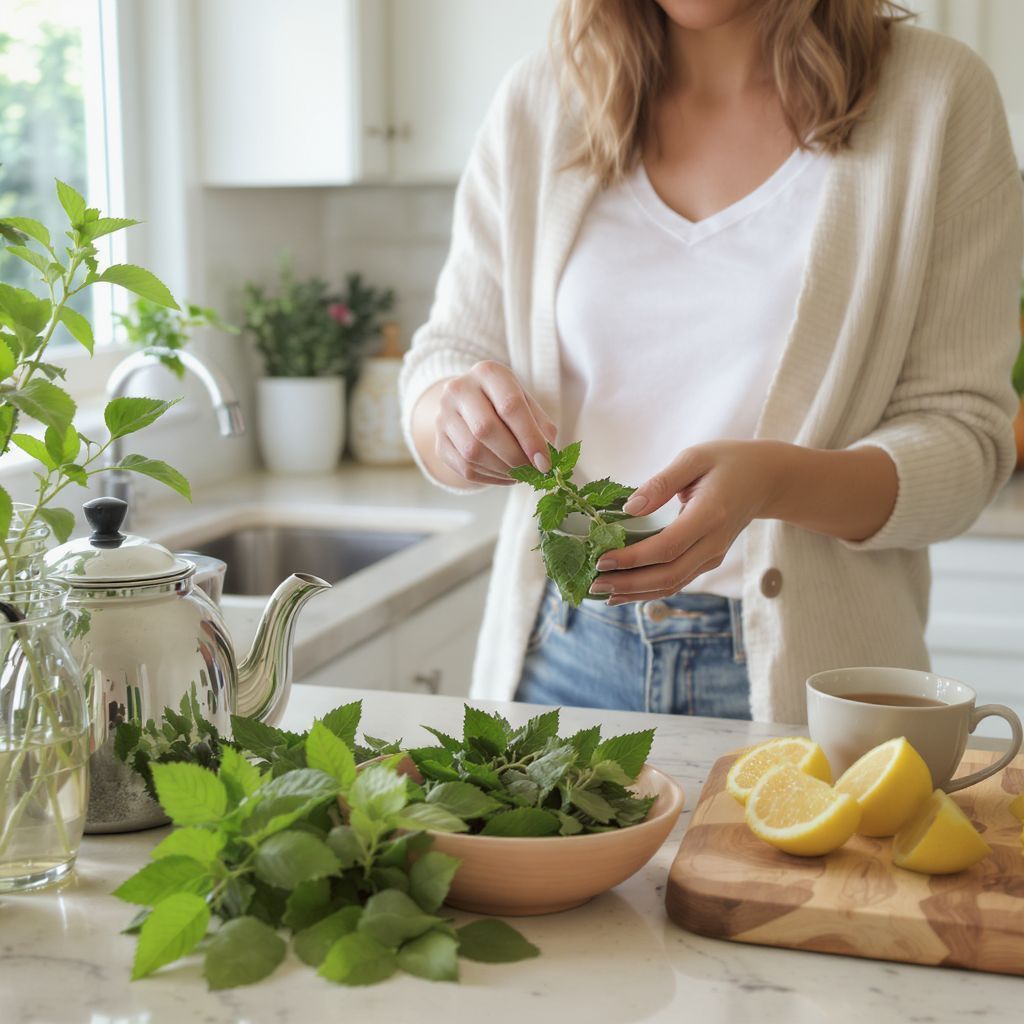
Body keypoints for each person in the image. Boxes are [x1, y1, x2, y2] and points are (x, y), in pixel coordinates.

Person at [399, 0, 1023, 723]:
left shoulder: (936, 99)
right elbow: (446, 357)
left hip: (816, 688)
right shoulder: (541, 102)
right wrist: (448, 419)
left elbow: (968, 446)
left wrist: (775, 483)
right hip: (561, 657)